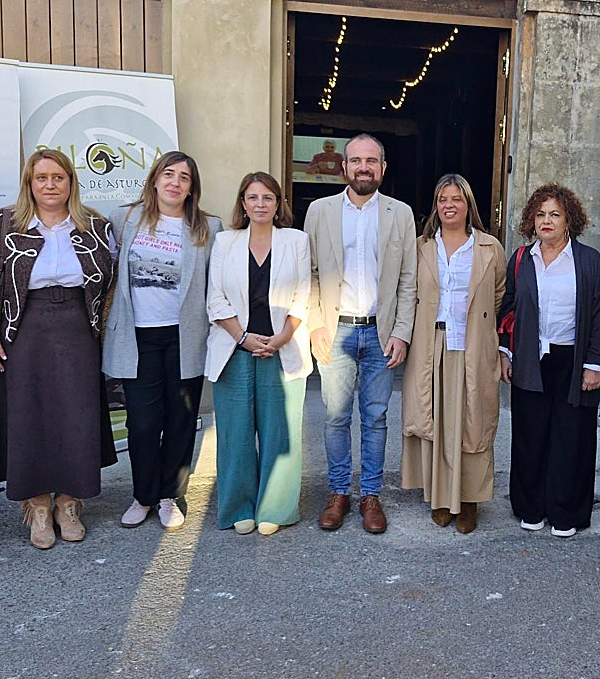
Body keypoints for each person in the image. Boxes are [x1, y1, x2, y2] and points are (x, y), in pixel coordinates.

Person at [0, 148, 116, 549]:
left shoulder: (95, 226)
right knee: (29, 416)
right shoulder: (2, 225)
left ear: (71, 182)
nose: (50, 185)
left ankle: (69, 503)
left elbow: (110, 289)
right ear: (29, 183)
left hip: (78, 329)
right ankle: (37, 505)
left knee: (76, 415)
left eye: (58, 177)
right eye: (42, 178)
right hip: (23, 329)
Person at [103, 152, 222, 532]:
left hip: (184, 337)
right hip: (138, 338)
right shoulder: (124, 219)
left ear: (191, 188)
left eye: (184, 177)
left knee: (181, 420)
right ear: (155, 180)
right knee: (141, 423)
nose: (174, 182)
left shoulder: (208, 227)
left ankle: (171, 495)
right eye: (168, 174)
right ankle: (143, 496)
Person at [304, 133, 416, 534]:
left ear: (383, 168)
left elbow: (408, 280)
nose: (363, 167)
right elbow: (311, 274)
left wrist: (402, 333)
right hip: (335, 331)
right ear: (344, 166)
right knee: (334, 418)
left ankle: (370, 494)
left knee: (376, 417)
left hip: (380, 333)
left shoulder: (400, 213)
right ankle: (338, 493)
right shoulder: (319, 211)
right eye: (356, 160)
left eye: (371, 161)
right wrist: (316, 323)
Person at [499, 184, 600, 538]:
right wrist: (506, 352)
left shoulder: (589, 260)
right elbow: (508, 309)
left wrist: (594, 364)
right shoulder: (521, 258)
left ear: (569, 221)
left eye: (555, 215)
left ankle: (566, 513)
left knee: (572, 436)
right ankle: (531, 507)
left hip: (573, 360)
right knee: (531, 435)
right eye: (540, 214)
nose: (546, 221)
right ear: (531, 220)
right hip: (531, 359)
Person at [205, 172, 311, 535]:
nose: (261, 204)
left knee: (279, 434)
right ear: (243, 204)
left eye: (268, 197)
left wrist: (281, 337)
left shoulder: (296, 240)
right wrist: (243, 337)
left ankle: (276, 508)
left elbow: (303, 293)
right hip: (234, 350)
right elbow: (214, 297)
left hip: (282, 349)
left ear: (279, 203)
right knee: (235, 434)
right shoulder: (225, 241)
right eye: (253, 197)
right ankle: (238, 509)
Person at [401, 174, 506, 534]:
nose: (449, 205)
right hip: (431, 344)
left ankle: (470, 500)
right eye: (443, 198)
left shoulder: (489, 247)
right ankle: (440, 497)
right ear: (436, 205)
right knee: (436, 419)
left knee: (471, 421)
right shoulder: (420, 247)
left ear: (468, 205)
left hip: (472, 344)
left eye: (457, 199)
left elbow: (498, 295)